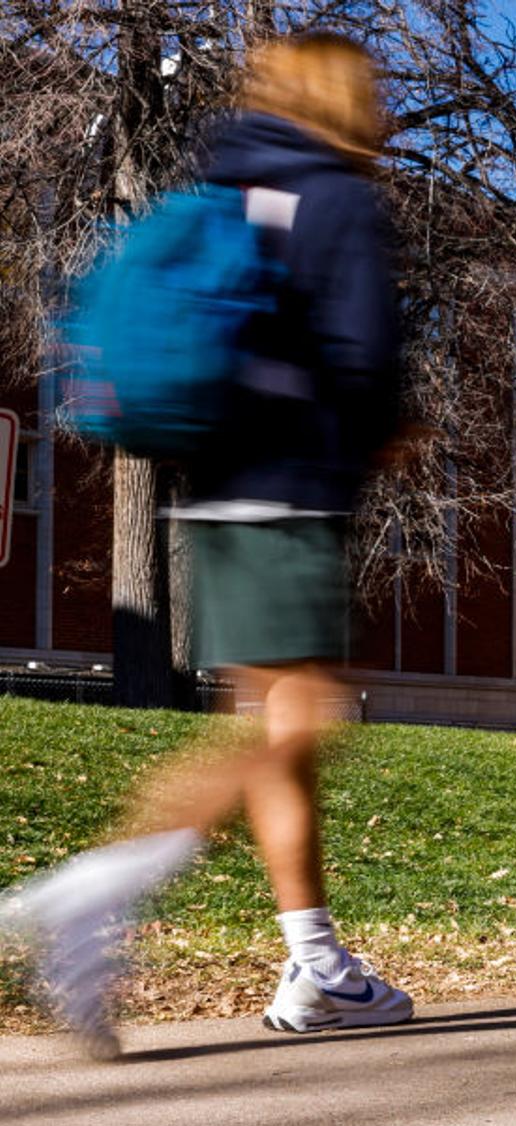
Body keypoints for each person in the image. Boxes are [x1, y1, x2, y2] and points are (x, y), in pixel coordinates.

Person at [0, 32, 412, 1055]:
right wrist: (391, 430)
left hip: (217, 494)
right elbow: (364, 367)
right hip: (292, 495)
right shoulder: (340, 199)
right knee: (302, 722)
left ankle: (317, 969)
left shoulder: (229, 189)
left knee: (277, 739)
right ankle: (91, 892)